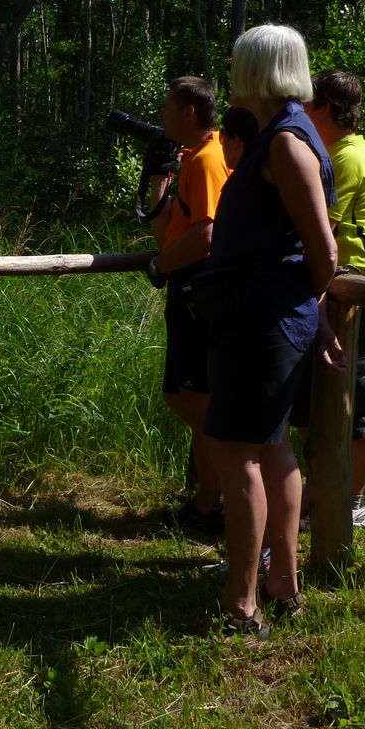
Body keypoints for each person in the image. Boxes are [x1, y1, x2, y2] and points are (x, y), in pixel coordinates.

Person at [199, 24, 337, 637]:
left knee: (237, 455)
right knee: (273, 449)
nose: (230, 65)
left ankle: (242, 601)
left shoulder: (286, 142)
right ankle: (281, 581)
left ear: (257, 68)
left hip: (264, 320)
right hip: (265, 317)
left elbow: (323, 252)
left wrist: (307, 312)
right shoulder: (277, 135)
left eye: (238, 58)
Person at [301, 70, 365, 527]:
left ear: (327, 108)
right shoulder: (331, 151)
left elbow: (321, 230)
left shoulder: (347, 157)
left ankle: (352, 503)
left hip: (360, 291)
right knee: (326, 399)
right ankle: (321, 496)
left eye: (306, 104)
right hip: (337, 289)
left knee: (356, 399)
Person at [145, 77, 231, 533]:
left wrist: (160, 269)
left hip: (200, 288)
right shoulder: (194, 159)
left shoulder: (209, 162)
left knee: (200, 406)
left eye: (167, 107)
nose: (160, 115)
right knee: (179, 396)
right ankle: (213, 496)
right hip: (187, 286)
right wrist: (159, 179)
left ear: (190, 113)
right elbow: (167, 232)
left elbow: (207, 234)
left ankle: (208, 508)